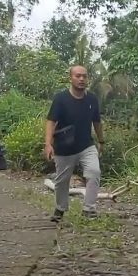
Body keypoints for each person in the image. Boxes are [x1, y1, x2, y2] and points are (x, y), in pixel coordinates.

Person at [44, 65, 104, 221]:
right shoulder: (61, 99)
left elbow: (97, 122)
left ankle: (88, 209)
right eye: (78, 76)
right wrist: (48, 144)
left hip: (86, 146)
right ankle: (60, 209)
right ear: (70, 78)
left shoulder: (92, 99)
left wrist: (101, 140)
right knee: (62, 181)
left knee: (94, 172)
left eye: (84, 76)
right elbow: (51, 121)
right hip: (64, 148)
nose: (82, 79)